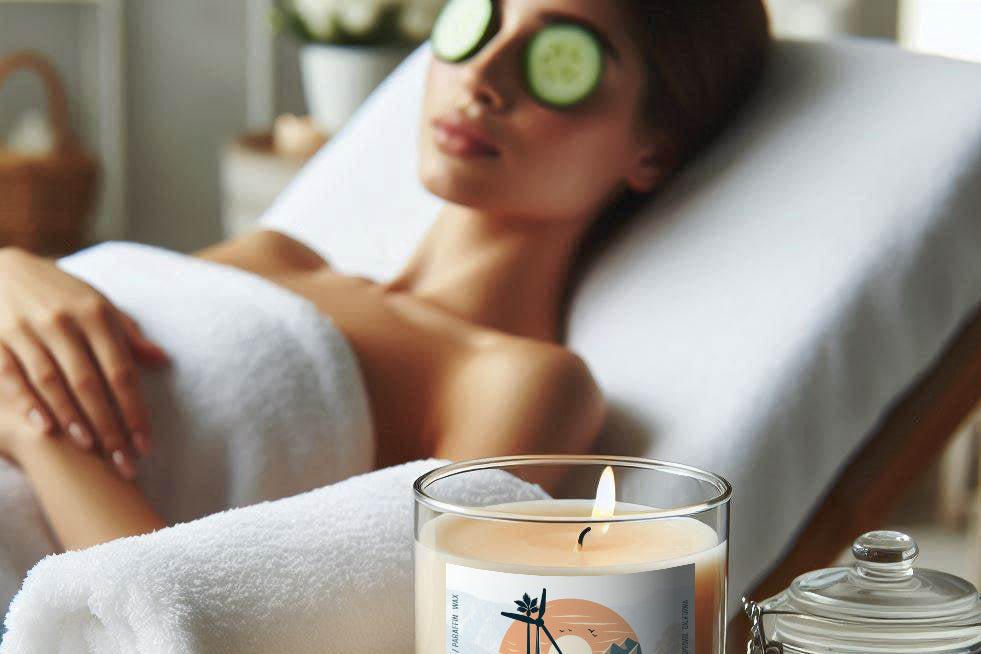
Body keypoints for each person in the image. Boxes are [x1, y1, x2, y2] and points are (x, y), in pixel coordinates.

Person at [0, 0, 769, 552]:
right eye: (479, 20)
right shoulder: (275, 254)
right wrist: (16, 269)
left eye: (558, 61)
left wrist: (35, 429)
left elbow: (199, 632)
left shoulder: (515, 380)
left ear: (653, 150)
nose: (484, 76)